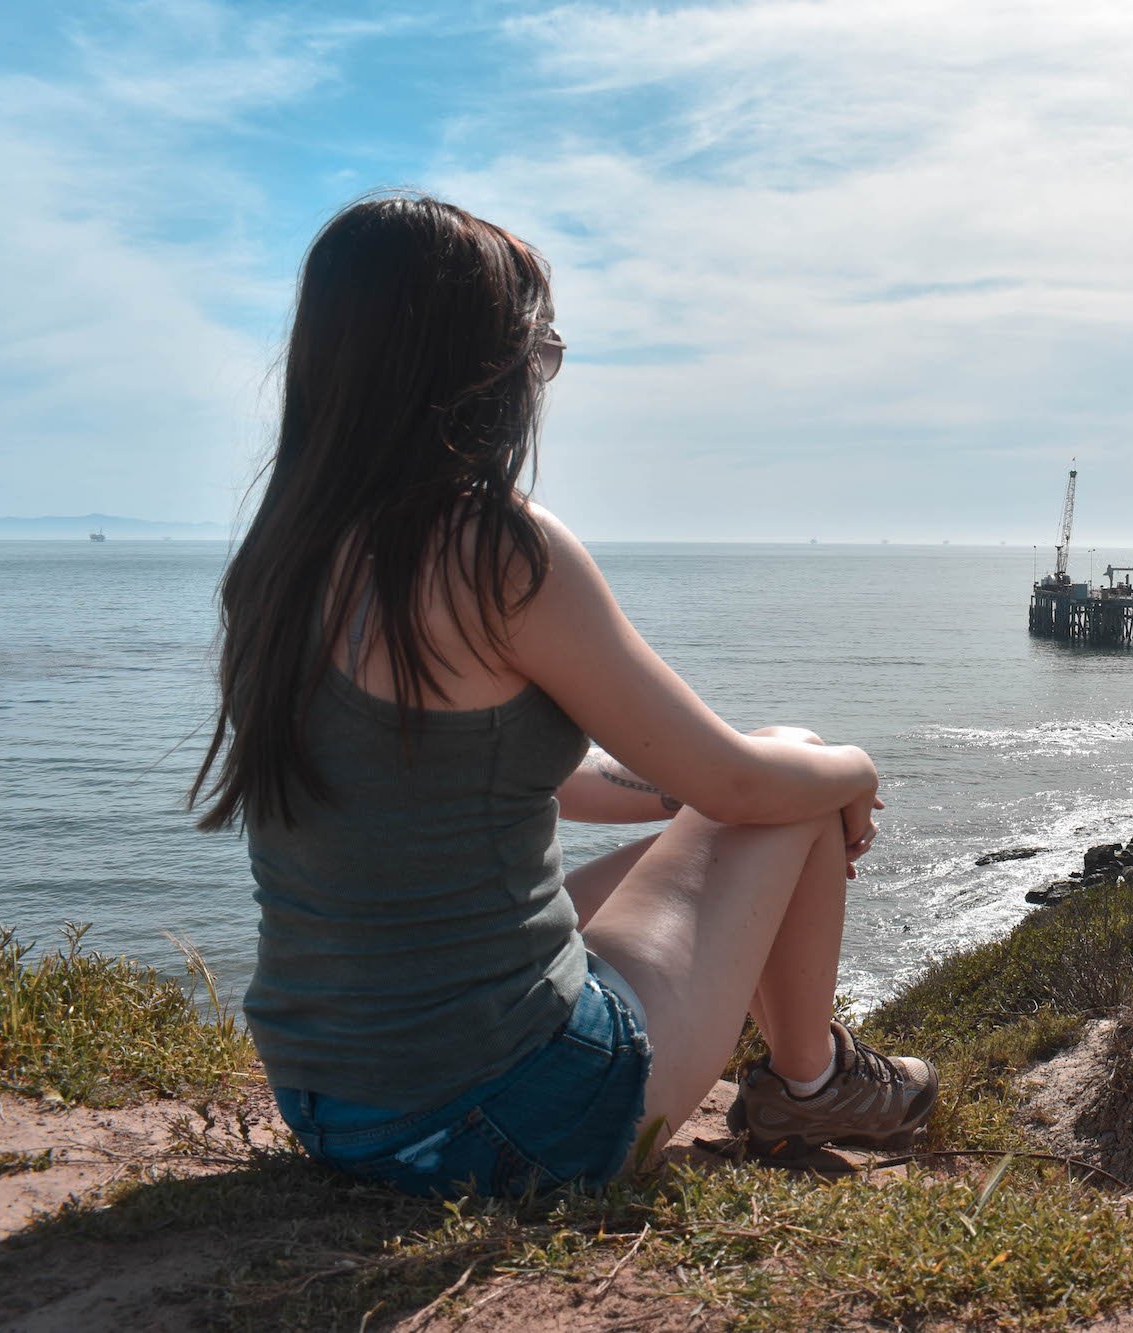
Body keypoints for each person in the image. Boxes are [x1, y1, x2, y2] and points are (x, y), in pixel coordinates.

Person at [189, 193, 937, 1198]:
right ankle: (811, 1082)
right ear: (474, 367)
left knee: (728, 810)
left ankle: (813, 1075)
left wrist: (673, 801)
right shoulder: (496, 550)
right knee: (791, 764)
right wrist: (853, 769)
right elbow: (740, 779)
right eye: (538, 347)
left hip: (335, 1106)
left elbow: (496, 765)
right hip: (511, 1116)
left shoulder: (277, 562)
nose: (543, 375)